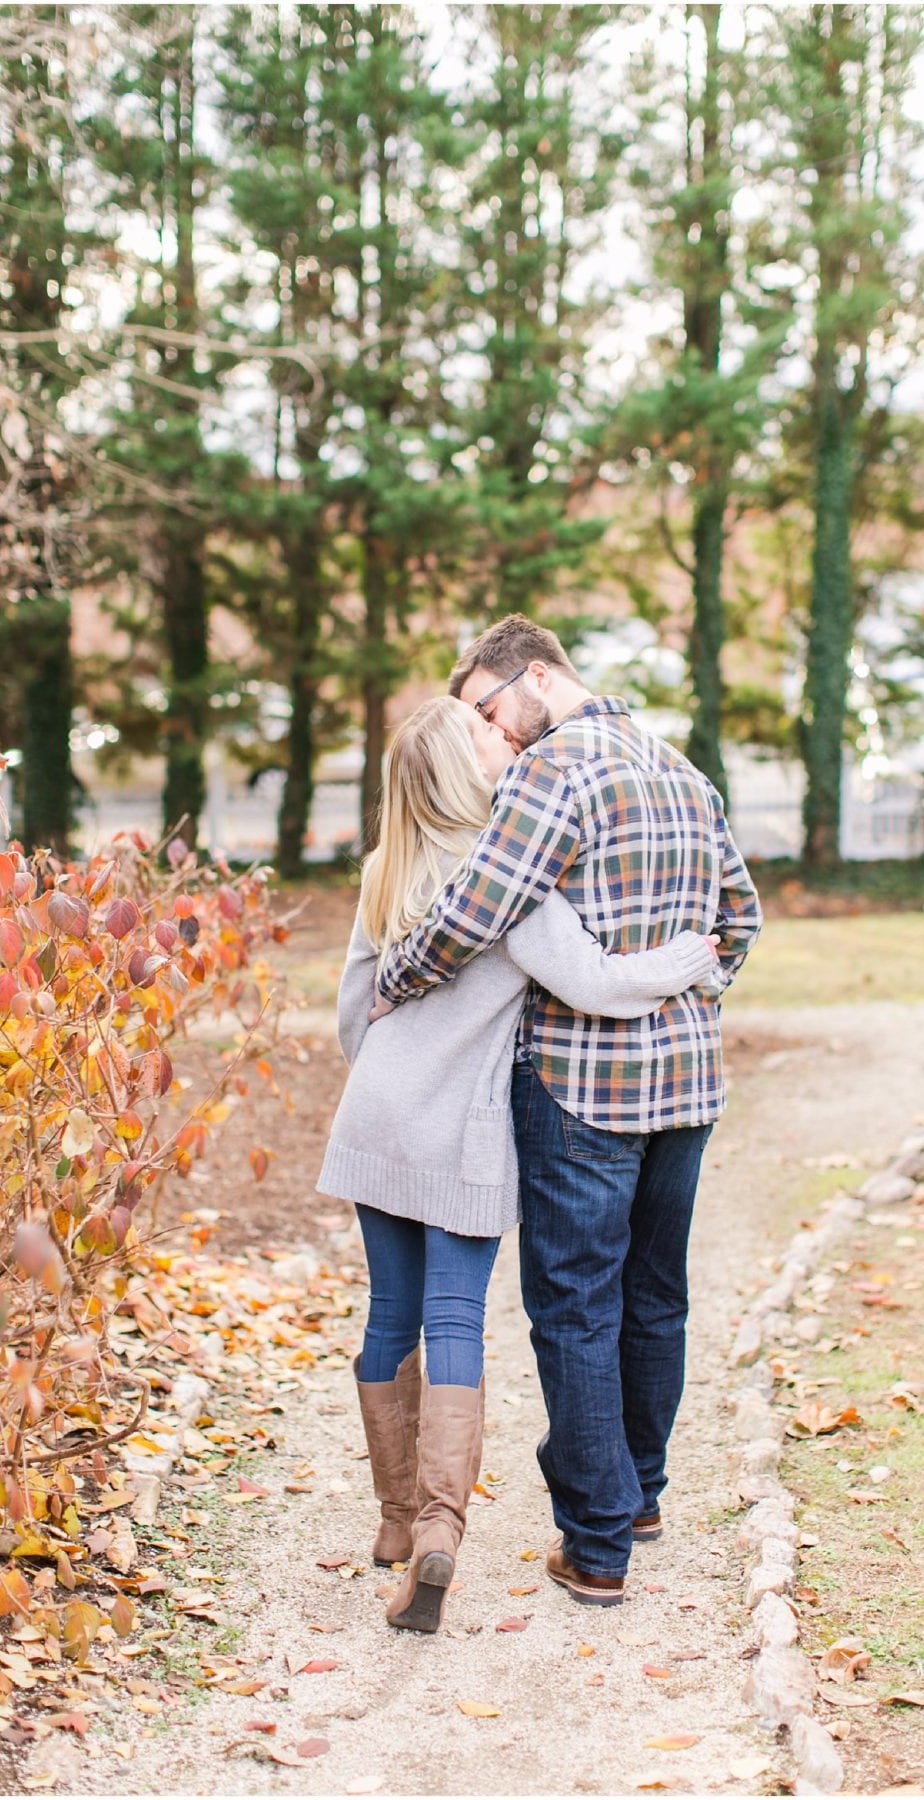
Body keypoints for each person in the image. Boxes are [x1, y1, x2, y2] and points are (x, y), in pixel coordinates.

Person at [373, 616, 762, 1608]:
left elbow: (472, 913)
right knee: (655, 1296)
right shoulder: (682, 769)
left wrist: (396, 979)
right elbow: (740, 917)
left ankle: (596, 1547)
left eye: (489, 709)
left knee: (576, 1308)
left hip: (581, 1091)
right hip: (686, 1089)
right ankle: (639, 1498)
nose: (493, 735)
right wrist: (687, 997)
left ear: (536, 676)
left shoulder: (554, 772)